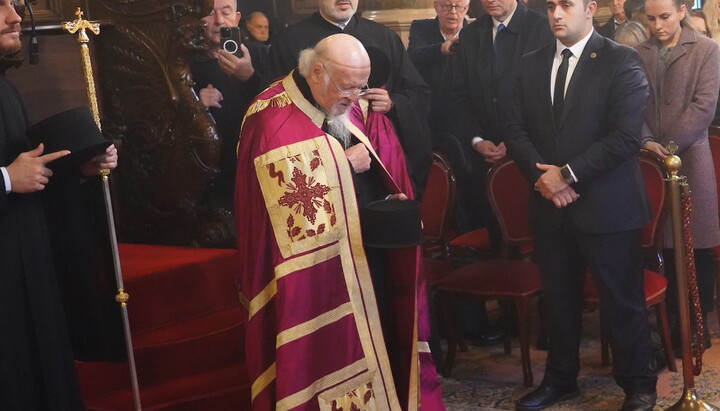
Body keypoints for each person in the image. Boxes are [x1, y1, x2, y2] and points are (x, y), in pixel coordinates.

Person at [235, 33, 444, 411]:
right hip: (316, 277)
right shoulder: (270, 119)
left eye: (362, 86)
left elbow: (372, 173)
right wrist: (342, 164)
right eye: (349, 87)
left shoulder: (346, 103)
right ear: (317, 72)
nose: (355, 98)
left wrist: (387, 201)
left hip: (366, 262)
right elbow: (285, 206)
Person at [505, 0, 657, 408]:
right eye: (551, 5)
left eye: (566, 5)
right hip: (550, 206)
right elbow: (514, 129)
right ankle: (560, 380)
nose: (556, 13)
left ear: (590, 8)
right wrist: (544, 179)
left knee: (621, 301)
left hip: (608, 207)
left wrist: (566, 175)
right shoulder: (531, 62)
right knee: (558, 300)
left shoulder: (621, 61)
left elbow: (625, 137)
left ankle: (639, 386)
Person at [0, 0, 119, 408]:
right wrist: (4, 179)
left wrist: (79, 169)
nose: (15, 16)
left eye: (14, 5)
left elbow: (26, 172)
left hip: (26, 270)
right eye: (0, 6)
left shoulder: (5, 87)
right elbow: (13, 176)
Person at [265, 0, 433, 197]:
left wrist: (393, 103)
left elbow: (419, 92)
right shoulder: (288, 41)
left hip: (381, 161)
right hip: (323, 166)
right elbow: (276, 108)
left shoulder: (384, 36)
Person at [637, 0, 720, 353]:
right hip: (649, 163)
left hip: (689, 160)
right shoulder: (637, 53)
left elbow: (703, 106)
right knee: (663, 248)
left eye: (665, 17)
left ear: (682, 10)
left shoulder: (706, 50)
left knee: (694, 247)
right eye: (652, 18)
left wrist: (665, 146)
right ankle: (668, 329)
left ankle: (694, 332)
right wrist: (645, 141)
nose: (657, 25)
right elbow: (632, 103)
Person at [191, 0, 266, 209]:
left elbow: (281, 102)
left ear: (237, 18)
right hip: (216, 174)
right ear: (198, 20)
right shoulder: (187, 64)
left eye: (226, 12)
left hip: (260, 166)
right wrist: (196, 103)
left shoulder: (258, 53)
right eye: (210, 14)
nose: (219, 20)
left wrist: (250, 76)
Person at [408, 1, 475, 231]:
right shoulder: (421, 28)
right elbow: (413, 56)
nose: (453, 12)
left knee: (469, 166)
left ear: (467, 8)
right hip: (431, 117)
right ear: (436, 7)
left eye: (460, 6)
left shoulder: (477, 31)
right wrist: (443, 48)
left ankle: (471, 227)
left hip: (468, 117)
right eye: (447, 6)